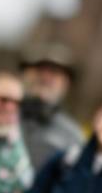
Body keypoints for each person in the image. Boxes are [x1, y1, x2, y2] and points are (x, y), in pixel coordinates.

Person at [18, 42, 83, 170]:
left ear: (67, 83)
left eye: (55, 72)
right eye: (39, 69)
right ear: (24, 74)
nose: (45, 77)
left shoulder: (72, 136)